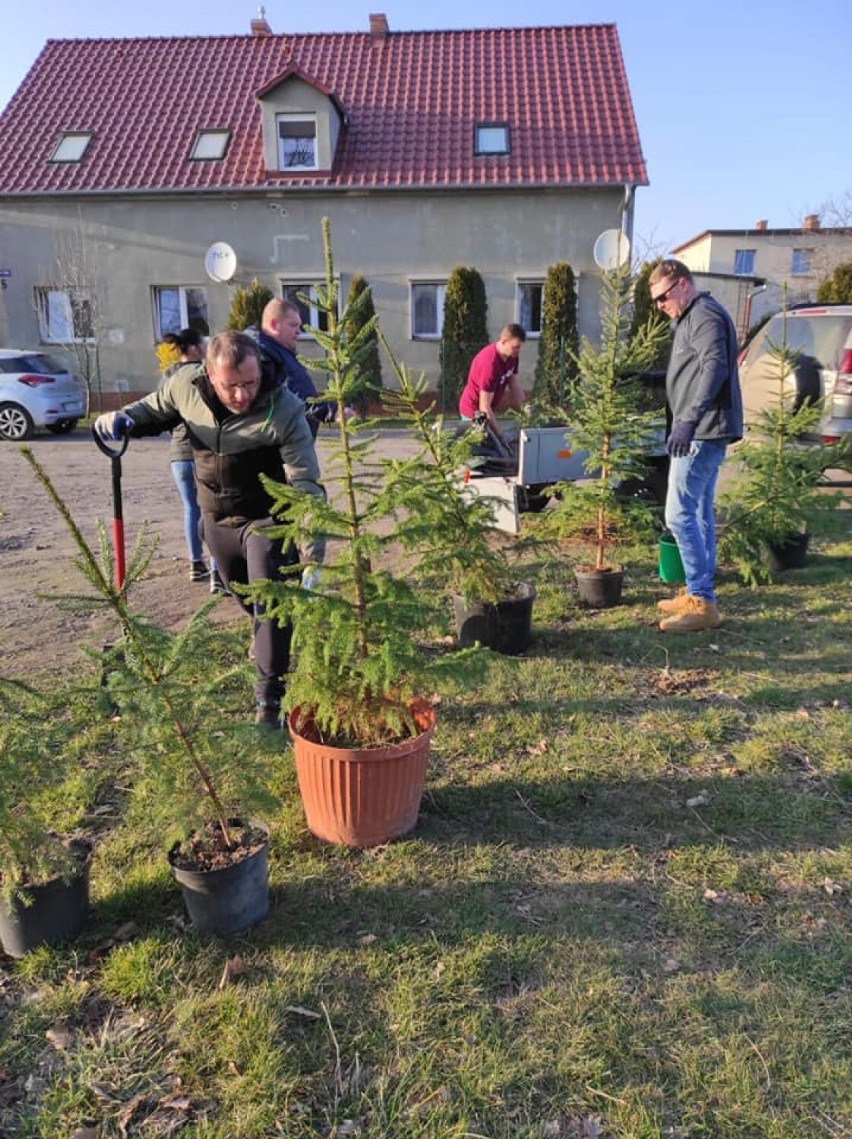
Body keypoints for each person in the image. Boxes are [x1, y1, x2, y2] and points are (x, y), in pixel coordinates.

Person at [94, 331, 325, 728]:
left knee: (269, 603)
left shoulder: (283, 408)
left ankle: (269, 704)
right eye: (230, 386)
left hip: (266, 520)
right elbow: (153, 409)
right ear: (209, 376)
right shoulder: (186, 386)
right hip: (215, 521)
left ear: (260, 371)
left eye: (249, 384)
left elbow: (305, 482)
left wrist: (312, 551)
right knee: (251, 603)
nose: (241, 395)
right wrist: (123, 418)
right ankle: (274, 645)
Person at [648, 259, 743, 633]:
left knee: (678, 515)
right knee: (700, 513)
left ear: (684, 285)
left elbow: (715, 367)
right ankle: (697, 592)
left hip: (703, 431)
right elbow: (690, 372)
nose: (659, 306)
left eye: (663, 297)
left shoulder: (703, 314)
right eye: (655, 301)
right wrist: (654, 380)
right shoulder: (691, 317)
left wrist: (688, 419)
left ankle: (702, 601)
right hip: (703, 427)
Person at [159, 329, 224, 593]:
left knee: (190, 508)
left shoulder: (168, 376)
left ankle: (196, 563)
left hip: (178, 455)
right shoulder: (205, 375)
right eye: (205, 344)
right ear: (196, 349)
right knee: (214, 511)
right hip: (202, 452)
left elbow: (162, 413)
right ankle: (218, 572)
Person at [244, 298, 337, 436]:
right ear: (274, 325)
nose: (299, 331)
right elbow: (290, 395)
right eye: (293, 325)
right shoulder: (263, 356)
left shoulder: (279, 351)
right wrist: (330, 411)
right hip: (282, 443)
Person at [458, 323, 527, 440]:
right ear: (504, 341)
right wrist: (500, 434)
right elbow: (483, 407)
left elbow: (514, 385)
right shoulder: (489, 365)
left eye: (520, 347)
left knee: (494, 444)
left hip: (486, 408)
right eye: (516, 347)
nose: (519, 351)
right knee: (480, 447)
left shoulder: (512, 357)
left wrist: (527, 410)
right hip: (474, 412)